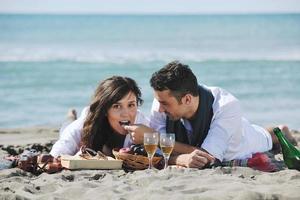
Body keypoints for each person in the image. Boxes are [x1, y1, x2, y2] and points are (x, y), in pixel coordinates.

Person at [125, 61, 297, 169]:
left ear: (186, 99)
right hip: (210, 133)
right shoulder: (162, 101)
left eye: (165, 104)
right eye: (159, 102)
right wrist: (172, 152)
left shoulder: (227, 105)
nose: (160, 109)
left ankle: (280, 131)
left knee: (265, 136)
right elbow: (160, 151)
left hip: (241, 140)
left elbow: (208, 157)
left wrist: (154, 138)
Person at [50, 76, 149, 158]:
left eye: (131, 105)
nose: (126, 114)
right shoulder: (85, 124)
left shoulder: (141, 122)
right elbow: (59, 151)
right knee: (66, 126)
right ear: (105, 110)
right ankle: (71, 116)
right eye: (117, 106)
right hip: (72, 126)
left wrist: (147, 138)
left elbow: (160, 146)